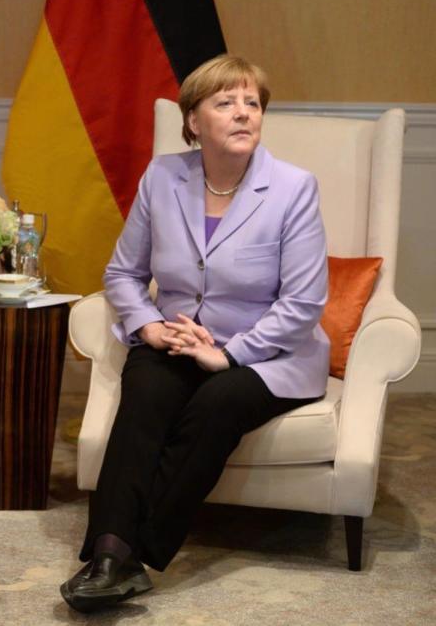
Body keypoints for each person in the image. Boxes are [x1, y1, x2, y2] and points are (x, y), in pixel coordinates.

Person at [60, 55, 329, 613]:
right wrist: (149, 327)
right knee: (146, 397)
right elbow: (123, 274)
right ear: (193, 121)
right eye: (225, 102)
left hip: (267, 354)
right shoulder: (163, 177)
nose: (242, 114)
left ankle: (135, 556)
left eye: (252, 103)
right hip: (175, 339)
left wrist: (229, 354)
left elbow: (302, 303)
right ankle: (108, 554)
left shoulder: (293, 189)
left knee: (218, 402)